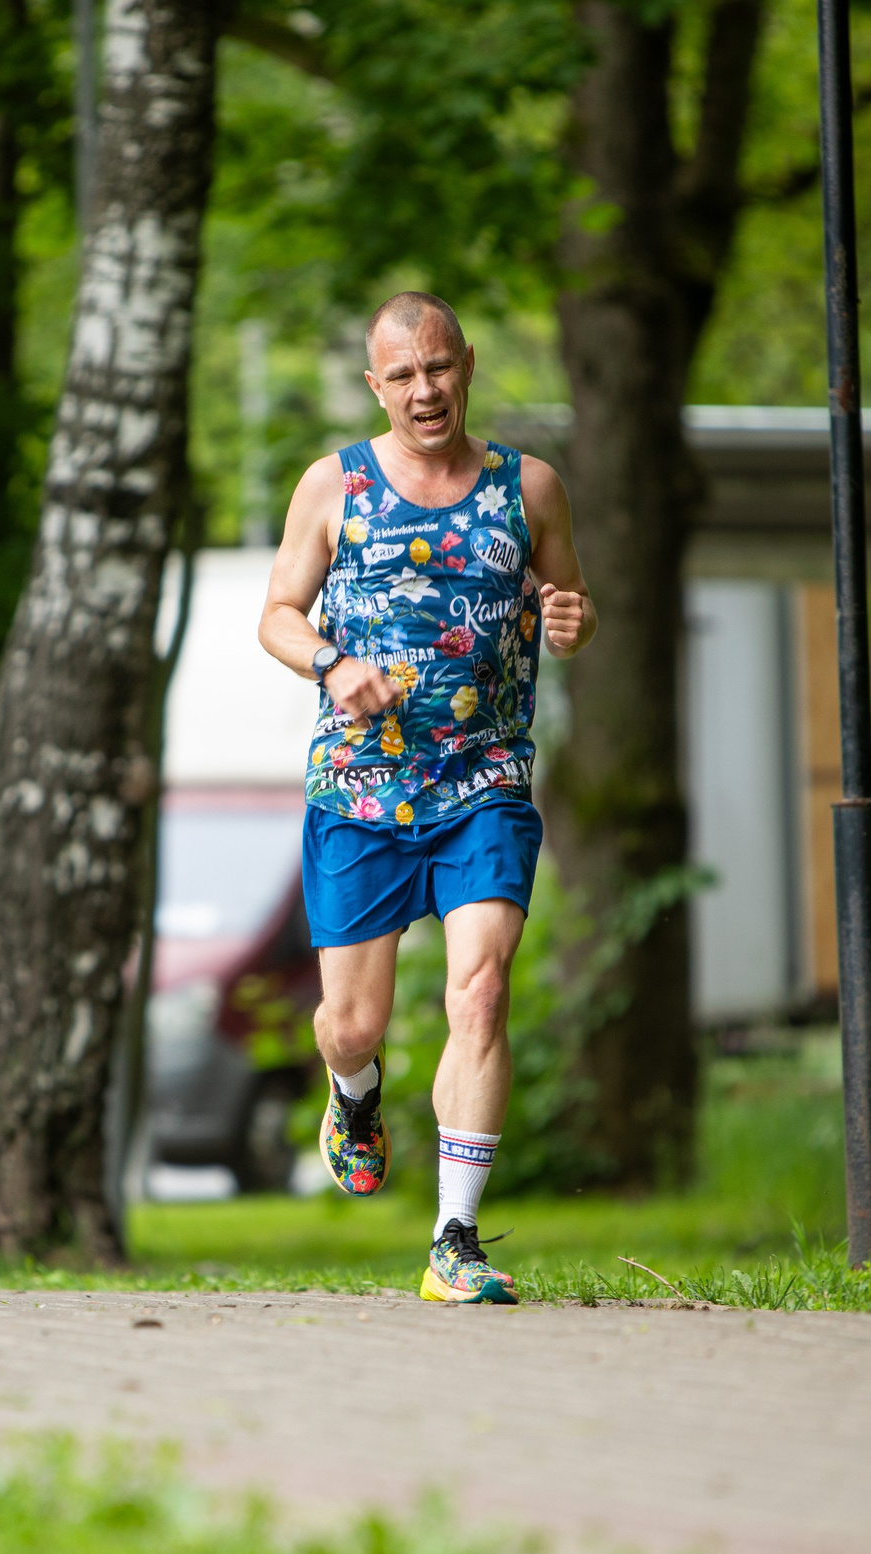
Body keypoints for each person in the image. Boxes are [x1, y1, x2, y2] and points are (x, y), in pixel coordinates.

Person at [256, 291, 596, 1306]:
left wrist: (571, 618)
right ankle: (354, 1096)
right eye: (401, 376)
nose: (423, 390)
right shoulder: (334, 486)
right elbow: (275, 613)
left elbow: (566, 601)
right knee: (349, 1024)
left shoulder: (526, 489)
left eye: (437, 368)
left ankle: (456, 1239)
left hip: (483, 780)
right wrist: (329, 664)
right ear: (376, 386)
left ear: (467, 365)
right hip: (361, 790)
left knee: (479, 992)